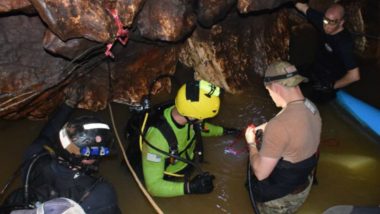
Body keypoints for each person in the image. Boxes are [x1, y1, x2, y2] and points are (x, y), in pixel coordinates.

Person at [0, 87, 121, 214]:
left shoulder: (34, 155)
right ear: (87, 158)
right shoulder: (100, 194)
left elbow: (47, 133)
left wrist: (68, 104)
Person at [134, 79, 240, 197]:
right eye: (203, 117)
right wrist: (189, 187)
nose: (204, 120)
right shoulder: (157, 140)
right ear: (191, 117)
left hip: (187, 161)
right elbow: (153, 186)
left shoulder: (184, 113)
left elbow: (199, 128)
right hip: (172, 176)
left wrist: (224, 131)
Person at [245, 61, 321, 213]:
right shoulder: (310, 106)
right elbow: (287, 116)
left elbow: (260, 173)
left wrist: (251, 144)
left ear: (276, 88)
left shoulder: (278, 126)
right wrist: (264, 127)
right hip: (303, 186)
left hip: (280, 201)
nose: (271, 96)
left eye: (269, 92)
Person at [295, 2, 360, 103]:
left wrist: (331, 86)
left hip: (331, 77)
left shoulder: (345, 44)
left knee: (313, 102)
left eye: (332, 22)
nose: (326, 25)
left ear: (341, 22)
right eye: (325, 20)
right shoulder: (323, 21)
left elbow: (354, 75)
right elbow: (303, 7)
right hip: (316, 67)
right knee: (291, 75)